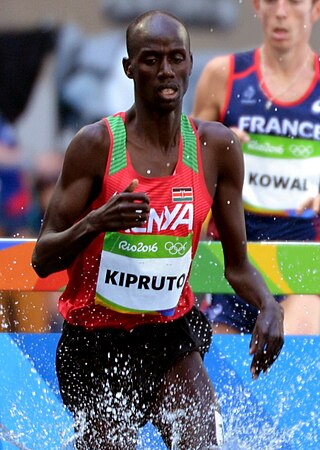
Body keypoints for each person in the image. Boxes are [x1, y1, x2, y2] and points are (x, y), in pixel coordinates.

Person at [32, 10, 284, 449]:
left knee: (200, 441)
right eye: (150, 60)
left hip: (168, 335)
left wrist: (269, 304)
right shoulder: (96, 146)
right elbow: (42, 257)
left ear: (190, 64)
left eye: (176, 58)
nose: (165, 71)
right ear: (129, 68)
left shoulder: (215, 149)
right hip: (93, 342)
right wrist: (97, 221)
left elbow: (237, 265)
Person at [192, 0, 320, 335]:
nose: (281, 12)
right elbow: (182, 165)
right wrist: (217, 146)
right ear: (257, 6)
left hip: (302, 258)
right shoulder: (223, 75)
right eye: (272, 1)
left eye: (293, 2)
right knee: (217, 380)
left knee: (291, 352)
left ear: (315, 10)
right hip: (231, 257)